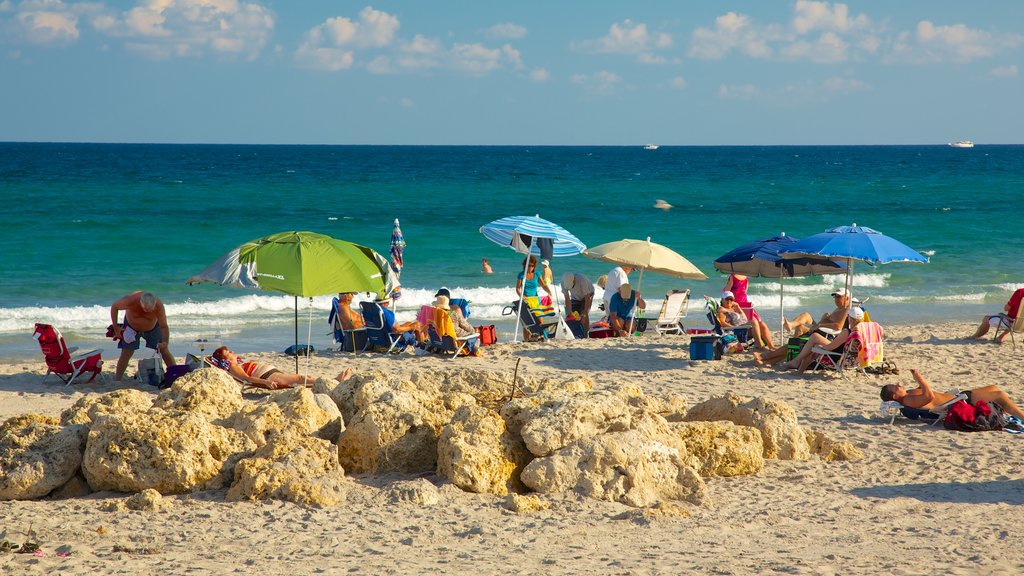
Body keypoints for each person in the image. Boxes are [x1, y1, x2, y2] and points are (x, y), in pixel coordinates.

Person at [881, 369, 1024, 420]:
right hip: (960, 403)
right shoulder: (908, 400)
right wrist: (920, 379)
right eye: (896, 387)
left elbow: (924, 393)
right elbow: (929, 397)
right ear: (895, 396)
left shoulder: (909, 394)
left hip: (959, 397)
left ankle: (1002, 414)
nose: (899, 385)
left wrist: (919, 383)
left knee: (993, 388)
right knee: (999, 396)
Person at [211, 346, 353, 390]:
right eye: (228, 353)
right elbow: (247, 379)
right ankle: (334, 382)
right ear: (225, 359)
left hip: (270, 372)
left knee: (305, 378)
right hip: (267, 377)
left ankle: (332, 381)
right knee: (300, 379)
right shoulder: (233, 366)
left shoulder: (238, 363)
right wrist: (266, 383)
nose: (232, 352)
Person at [110, 291, 176, 381]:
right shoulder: (131, 300)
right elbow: (114, 307)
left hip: (153, 328)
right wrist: (116, 328)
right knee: (126, 352)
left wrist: (165, 342)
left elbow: (164, 326)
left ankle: (175, 374)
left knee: (164, 350)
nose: (147, 312)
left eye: (150, 310)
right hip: (131, 327)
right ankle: (117, 379)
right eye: (145, 309)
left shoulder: (159, 306)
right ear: (140, 302)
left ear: (154, 304)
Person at [780, 306, 865, 372]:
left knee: (814, 338)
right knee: (815, 343)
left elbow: (831, 347)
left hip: (838, 357)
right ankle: (798, 368)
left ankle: (796, 362)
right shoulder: (862, 331)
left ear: (849, 318)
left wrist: (819, 349)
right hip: (854, 359)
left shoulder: (847, 332)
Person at [784, 288, 851, 337]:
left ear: (847, 298)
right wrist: (826, 317)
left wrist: (819, 325)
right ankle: (791, 325)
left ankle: (793, 349)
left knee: (800, 327)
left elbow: (838, 326)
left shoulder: (846, 309)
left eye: (839, 296)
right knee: (806, 315)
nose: (836, 299)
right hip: (818, 328)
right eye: (835, 296)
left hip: (822, 333)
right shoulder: (839, 308)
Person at [561, 272, 595, 337]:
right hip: (575, 296)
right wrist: (569, 313)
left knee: (583, 312)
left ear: (574, 279)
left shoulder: (582, 279)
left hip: (588, 293)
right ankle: (576, 333)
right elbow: (567, 298)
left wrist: (584, 315)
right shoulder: (563, 282)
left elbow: (587, 298)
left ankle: (585, 334)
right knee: (573, 315)